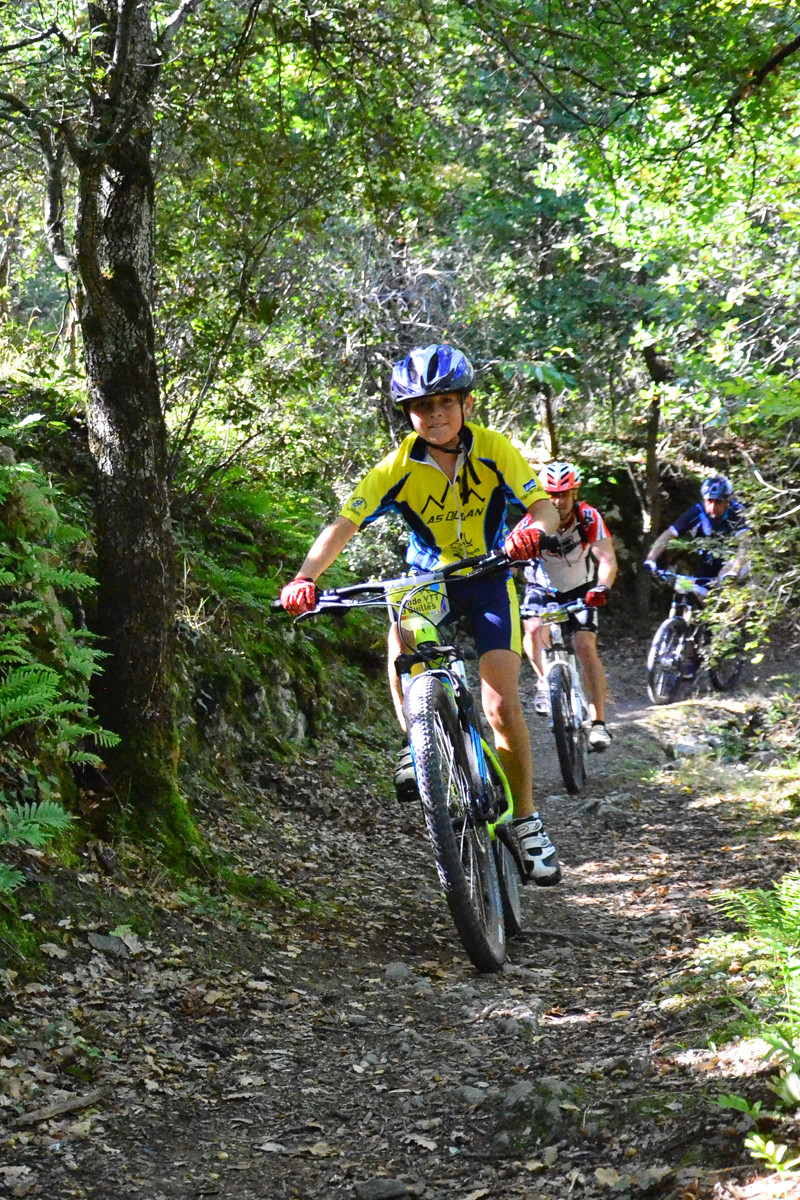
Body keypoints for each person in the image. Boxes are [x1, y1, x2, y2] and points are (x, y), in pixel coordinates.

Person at [280, 343, 563, 885]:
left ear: (467, 404)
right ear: (408, 414)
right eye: (421, 406)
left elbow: (543, 506)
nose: (434, 415)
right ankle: (419, 743)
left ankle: (526, 822)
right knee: (400, 638)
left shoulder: (494, 450)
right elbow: (345, 524)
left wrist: (535, 530)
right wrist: (305, 578)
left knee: (501, 706)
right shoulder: (396, 467)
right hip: (427, 580)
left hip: (488, 577)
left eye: (445, 404)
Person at [520, 461, 618, 752]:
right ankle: (542, 682)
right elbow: (511, 553)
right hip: (541, 587)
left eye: (564, 494)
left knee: (585, 646)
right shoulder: (532, 519)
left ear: (575, 493)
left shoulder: (588, 516)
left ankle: (598, 723)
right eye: (551, 494)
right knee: (535, 627)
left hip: (580, 588)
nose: (557, 501)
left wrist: (602, 587)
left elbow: (607, 559)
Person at [643, 475, 749, 585]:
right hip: (709, 563)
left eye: (718, 502)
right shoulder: (698, 511)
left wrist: (735, 569)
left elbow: (745, 543)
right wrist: (651, 559)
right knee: (689, 594)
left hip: (734, 561)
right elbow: (670, 533)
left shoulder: (737, 512)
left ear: (727, 501)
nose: (712, 507)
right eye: (709, 501)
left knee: (726, 580)